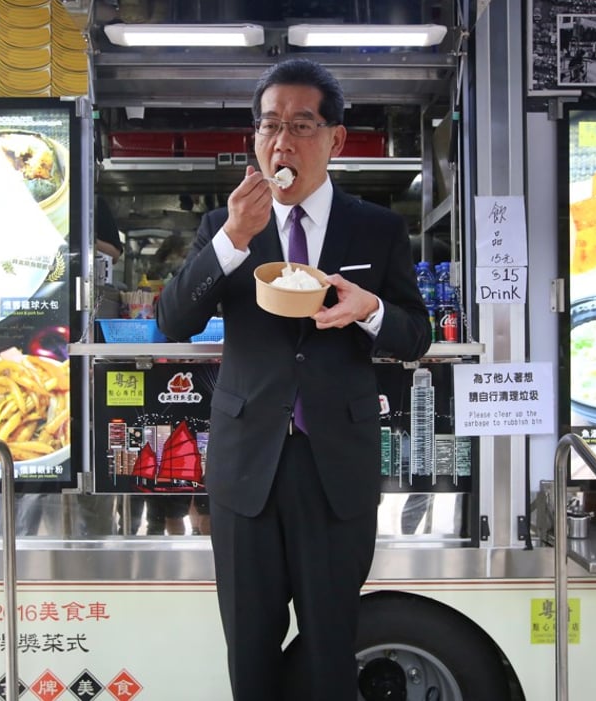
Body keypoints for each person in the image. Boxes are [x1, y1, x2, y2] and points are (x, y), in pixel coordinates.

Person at [156, 58, 431, 701]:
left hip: (335, 467)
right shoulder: (226, 226)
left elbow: (415, 335)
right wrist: (232, 238)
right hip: (246, 466)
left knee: (330, 653)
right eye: (269, 126)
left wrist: (370, 310)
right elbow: (173, 321)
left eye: (301, 126)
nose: (282, 142)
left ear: (336, 139)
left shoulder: (377, 228)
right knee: (249, 652)